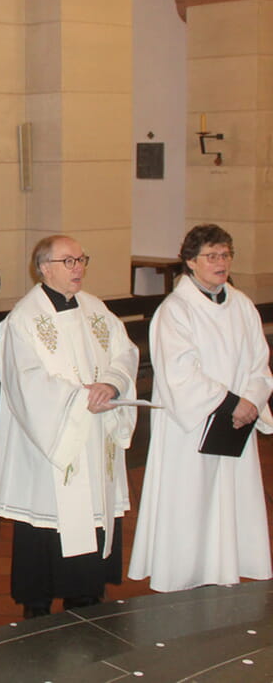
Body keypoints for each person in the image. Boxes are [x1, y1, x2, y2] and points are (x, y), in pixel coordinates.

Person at [0, 236, 139, 617]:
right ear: (43, 268)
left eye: (81, 259)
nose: (78, 267)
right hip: (52, 443)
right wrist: (78, 399)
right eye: (68, 260)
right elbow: (26, 382)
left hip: (96, 437)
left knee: (94, 512)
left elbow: (126, 352)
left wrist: (112, 383)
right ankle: (38, 608)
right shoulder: (23, 321)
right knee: (48, 525)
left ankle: (86, 595)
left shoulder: (96, 310)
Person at [129, 224, 273, 592]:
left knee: (232, 500)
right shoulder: (175, 311)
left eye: (225, 254)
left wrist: (253, 401)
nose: (220, 262)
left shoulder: (241, 305)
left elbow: (260, 362)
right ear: (191, 262)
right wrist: (231, 403)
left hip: (237, 421)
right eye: (211, 255)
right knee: (191, 502)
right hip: (191, 427)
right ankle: (183, 577)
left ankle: (226, 570)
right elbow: (179, 373)